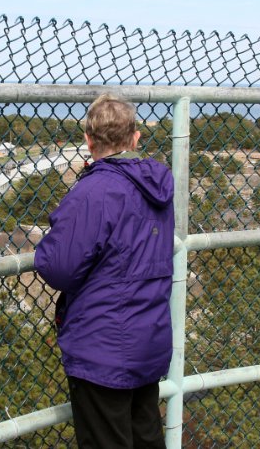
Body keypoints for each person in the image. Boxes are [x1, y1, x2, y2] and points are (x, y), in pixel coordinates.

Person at [35, 94, 175, 448]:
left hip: (104, 349)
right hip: (148, 341)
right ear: (136, 137)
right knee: (145, 436)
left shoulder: (95, 191)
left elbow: (58, 267)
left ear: (88, 139)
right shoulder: (157, 187)